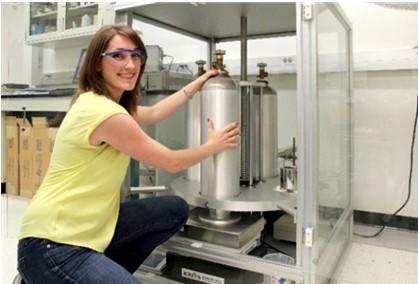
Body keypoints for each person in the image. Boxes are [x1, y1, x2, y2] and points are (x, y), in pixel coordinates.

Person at [17, 25, 240, 284]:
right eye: (119, 56)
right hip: (53, 247)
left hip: (88, 230)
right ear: (97, 63)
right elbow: (170, 161)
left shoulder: (104, 104)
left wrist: (197, 84)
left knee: (173, 210)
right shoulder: (105, 114)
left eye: (136, 56)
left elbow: (155, 113)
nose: (130, 65)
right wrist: (212, 145)